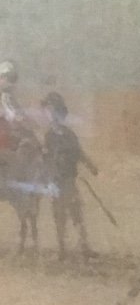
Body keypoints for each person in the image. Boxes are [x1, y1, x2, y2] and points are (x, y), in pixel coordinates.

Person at [41, 92, 98, 258]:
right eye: (50, 112)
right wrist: (49, 179)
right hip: (56, 182)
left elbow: (79, 152)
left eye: (56, 112)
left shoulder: (69, 134)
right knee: (60, 216)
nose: (53, 116)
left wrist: (90, 165)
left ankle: (84, 247)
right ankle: (62, 250)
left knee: (76, 212)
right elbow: (46, 159)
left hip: (69, 180)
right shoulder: (49, 136)